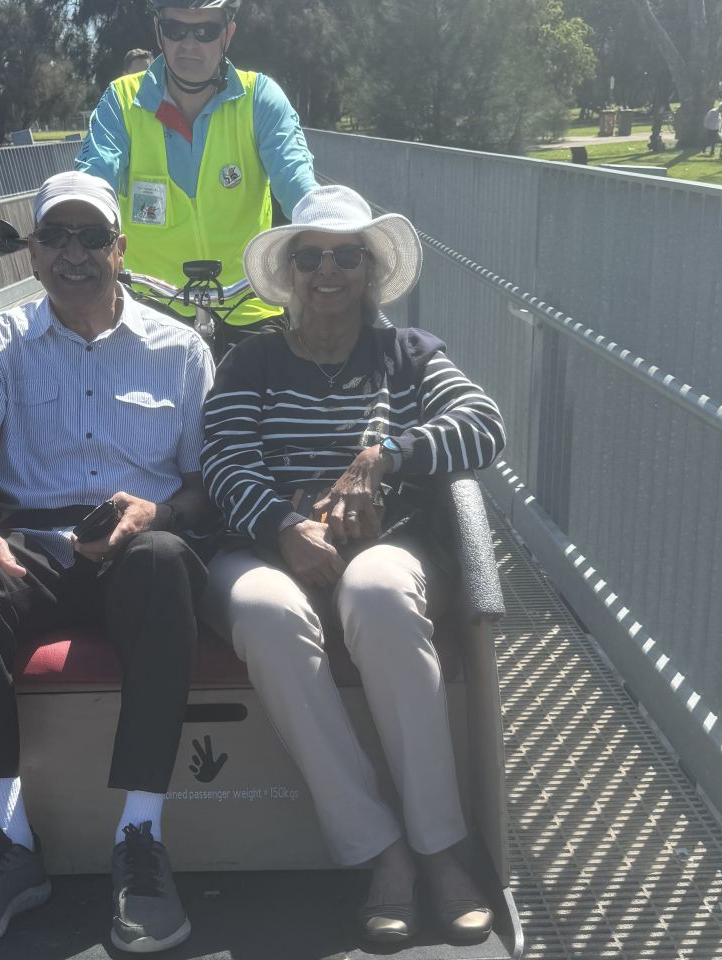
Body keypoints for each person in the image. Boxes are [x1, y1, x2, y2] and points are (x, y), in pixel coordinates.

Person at [200, 185, 507, 945]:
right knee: (269, 614)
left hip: (384, 544)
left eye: (346, 256)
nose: (326, 271)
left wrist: (386, 455)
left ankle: (442, 847)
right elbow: (224, 461)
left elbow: (484, 425)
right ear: (292, 273)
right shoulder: (253, 360)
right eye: (310, 258)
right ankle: (383, 850)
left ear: (371, 270)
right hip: (263, 544)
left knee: (378, 593)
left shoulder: (409, 355)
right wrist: (283, 526)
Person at [0, 171, 213, 954]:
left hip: (135, 546)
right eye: (56, 236)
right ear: (33, 252)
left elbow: (202, 485)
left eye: (91, 237)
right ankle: (9, 841)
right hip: (37, 545)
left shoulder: (181, 351)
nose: (73, 253)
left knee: (163, 561)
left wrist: (160, 513)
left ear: (121, 249)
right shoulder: (0, 341)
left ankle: (139, 840)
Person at [77, 0, 318, 343]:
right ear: (159, 31)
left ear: (228, 34)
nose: (189, 44)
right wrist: (67, 231)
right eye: (176, 29)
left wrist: (334, 234)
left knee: (264, 389)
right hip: (150, 307)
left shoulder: (260, 98)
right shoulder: (121, 101)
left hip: (249, 303)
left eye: (206, 31)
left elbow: (298, 183)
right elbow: (92, 186)